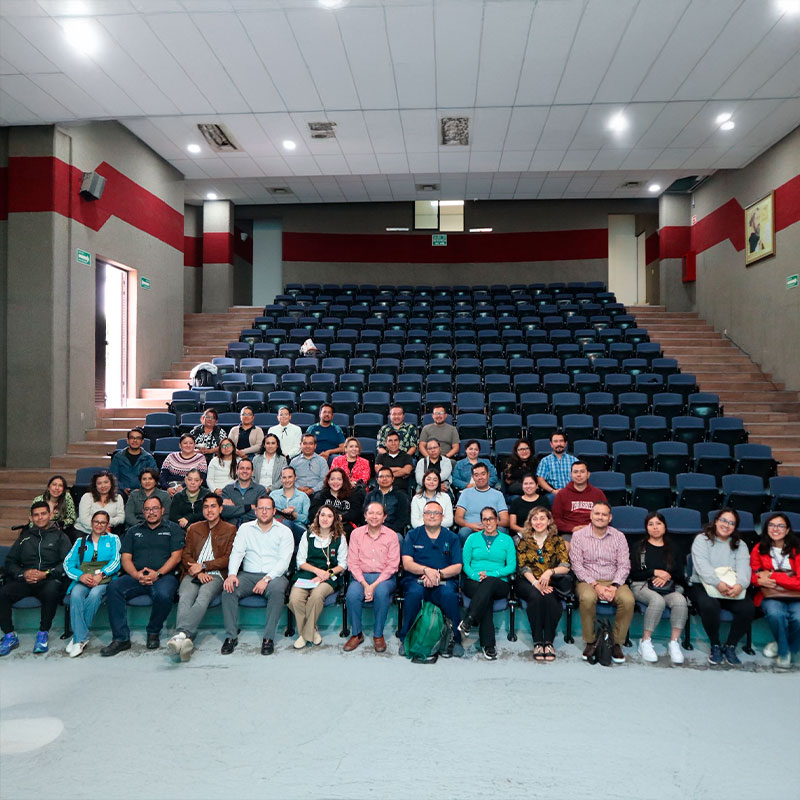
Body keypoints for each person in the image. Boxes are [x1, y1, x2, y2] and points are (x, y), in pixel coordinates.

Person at [100, 496, 185, 655]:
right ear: (143, 512)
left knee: (164, 594)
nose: (151, 512)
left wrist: (158, 573)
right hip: (136, 575)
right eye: (147, 509)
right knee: (113, 587)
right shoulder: (133, 531)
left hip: (163, 576)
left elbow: (176, 557)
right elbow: (126, 558)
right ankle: (121, 638)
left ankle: (153, 632)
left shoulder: (173, 529)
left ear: (162, 511)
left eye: (155, 509)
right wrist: (136, 574)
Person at [166, 494, 236, 662]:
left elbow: (228, 558)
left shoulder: (230, 529)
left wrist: (205, 566)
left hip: (216, 574)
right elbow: (186, 554)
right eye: (206, 507)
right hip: (192, 572)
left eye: (213, 506)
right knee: (185, 596)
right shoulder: (194, 528)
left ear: (220, 509)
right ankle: (184, 639)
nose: (209, 510)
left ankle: (181, 634)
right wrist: (198, 572)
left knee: (203, 596)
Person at [221, 496, 294, 656]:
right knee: (228, 589)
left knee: (277, 592)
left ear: (274, 511)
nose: (264, 511)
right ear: (255, 511)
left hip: (274, 576)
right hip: (248, 574)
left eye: (268, 508)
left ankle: (268, 638)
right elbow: (237, 552)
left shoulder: (284, 531)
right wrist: (232, 574)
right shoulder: (245, 528)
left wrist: (266, 579)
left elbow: (284, 561)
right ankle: (231, 636)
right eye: (261, 508)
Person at [0, 502, 71, 656]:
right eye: (36, 515)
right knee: (3, 593)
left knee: (52, 591)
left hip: (49, 579)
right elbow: (10, 562)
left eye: (43, 514)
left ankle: (43, 633)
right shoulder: (24, 537)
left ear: (50, 515)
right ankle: (9, 635)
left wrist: (46, 573)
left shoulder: (60, 537)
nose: (40, 517)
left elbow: (67, 563)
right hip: (26, 580)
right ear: (31, 518)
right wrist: (23, 574)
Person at [687, 508, 755, 666]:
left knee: (748, 608)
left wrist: (740, 585)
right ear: (716, 521)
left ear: (735, 527)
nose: (726, 525)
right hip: (703, 584)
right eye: (723, 520)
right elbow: (702, 566)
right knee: (710, 606)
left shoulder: (740, 544)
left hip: (731, 586)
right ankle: (715, 645)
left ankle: (731, 646)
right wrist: (717, 583)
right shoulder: (702, 539)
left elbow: (745, 568)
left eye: (731, 523)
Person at [397, 501, 464, 657]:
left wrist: (438, 574)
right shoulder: (413, 535)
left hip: (444, 579)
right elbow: (407, 563)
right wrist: (426, 571)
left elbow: (457, 567)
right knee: (414, 593)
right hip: (416, 579)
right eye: (428, 513)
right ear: (423, 516)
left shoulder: (452, 538)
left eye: (436, 513)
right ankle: (406, 638)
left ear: (442, 517)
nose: (432, 516)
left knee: (449, 594)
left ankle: (456, 639)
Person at [570, 502, 633, 664]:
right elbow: (577, 565)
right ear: (591, 516)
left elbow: (624, 565)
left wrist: (614, 586)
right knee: (587, 598)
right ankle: (590, 641)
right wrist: (596, 585)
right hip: (587, 580)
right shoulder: (579, 536)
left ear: (610, 518)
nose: (600, 517)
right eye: (597, 513)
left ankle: (616, 643)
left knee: (628, 600)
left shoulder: (619, 537)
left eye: (604, 514)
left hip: (614, 579)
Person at [629, 511, 688, 665]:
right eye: (651, 524)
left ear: (665, 526)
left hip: (668, 586)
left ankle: (674, 642)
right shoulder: (639, 547)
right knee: (657, 601)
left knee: (680, 601)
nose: (655, 527)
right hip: (642, 584)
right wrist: (653, 572)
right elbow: (633, 574)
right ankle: (645, 641)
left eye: (658, 524)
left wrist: (667, 575)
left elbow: (680, 574)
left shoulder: (674, 547)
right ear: (646, 528)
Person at [458, 507, 516, 660]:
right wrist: (475, 576)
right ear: (481, 522)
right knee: (486, 597)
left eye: (491, 518)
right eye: (485, 519)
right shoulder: (472, 538)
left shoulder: (507, 540)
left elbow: (511, 566)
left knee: (488, 584)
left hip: (499, 583)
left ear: (497, 520)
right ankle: (488, 645)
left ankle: (469, 619)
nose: (488, 522)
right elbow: (465, 564)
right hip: (474, 581)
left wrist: (491, 574)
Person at [62, 510, 122, 657]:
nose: (99, 525)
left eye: (103, 522)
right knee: (76, 594)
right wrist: (80, 576)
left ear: (107, 525)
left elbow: (116, 561)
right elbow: (68, 563)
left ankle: (78, 638)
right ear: (91, 523)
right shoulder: (80, 541)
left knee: (95, 594)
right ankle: (80, 637)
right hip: (84, 577)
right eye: (96, 522)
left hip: (104, 579)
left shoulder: (113, 539)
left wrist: (101, 575)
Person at [343, 502, 401, 653]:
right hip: (361, 577)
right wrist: (364, 584)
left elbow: (392, 565)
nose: (374, 516)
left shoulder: (392, 536)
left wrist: (373, 586)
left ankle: (378, 634)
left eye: (378, 513)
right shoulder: (356, 534)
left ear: (384, 517)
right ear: (365, 516)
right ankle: (357, 634)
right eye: (371, 513)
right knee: (352, 594)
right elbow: (353, 563)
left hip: (384, 578)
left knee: (381, 592)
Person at [288, 506, 348, 649]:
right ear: (318, 517)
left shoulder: (340, 538)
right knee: (294, 598)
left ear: (334, 520)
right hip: (307, 574)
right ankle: (312, 631)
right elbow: (300, 562)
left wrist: (327, 574)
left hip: (330, 576)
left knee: (316, 596)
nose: (325, 519)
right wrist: (317, 571)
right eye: (322, 515)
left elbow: (343, 564)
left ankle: (304, 636)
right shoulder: (308, 535)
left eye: (329, 516)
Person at [515, 508, 570, 662]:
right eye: (535, 519)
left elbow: (565, 565)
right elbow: (523, 567)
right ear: (530, 522)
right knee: (536, 597)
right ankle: (538, 642)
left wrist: (549, 572)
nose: (538, 522)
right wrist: (535, 583)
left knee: (552, 600)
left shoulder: (557, 540)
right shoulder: (524, 541)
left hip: (551, 581)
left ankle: (549, 642)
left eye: (542, 518)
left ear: (549, 521)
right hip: (527, 581)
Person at [750, 512, 800, 670]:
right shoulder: (759, 549)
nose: (775, 529)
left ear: (787, 530)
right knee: (775, 613)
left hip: (796, 596)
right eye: (771, 525)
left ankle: (781, 647)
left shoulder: (797, 549)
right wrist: (758, 580)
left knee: (799, 618)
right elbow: (752, 574)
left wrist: (772, 575)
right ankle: (784, 654)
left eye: (780, 526)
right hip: (770, 595)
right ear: (766, 528)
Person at [454, 463, 509, 543]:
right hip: (471, 528)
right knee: (463, 533)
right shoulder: (466, 493)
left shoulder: (498, 495)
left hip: (493, 527)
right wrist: (470, 525)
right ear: (473, 477)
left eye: (483, 474)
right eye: (476, 475)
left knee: (502, 531)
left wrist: (490, 525)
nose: (480, 477)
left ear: (488, 475)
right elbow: (458, 518)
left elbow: (505, 520)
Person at [551, 461, 607, 537]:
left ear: (588, 474)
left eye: (582, 472)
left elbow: (605, 516)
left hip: (594, 532)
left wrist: (591, 528)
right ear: (571, 475)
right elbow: (556, 519)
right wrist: (572, 528)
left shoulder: (598, 494)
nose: (579, 475)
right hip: (569, 533)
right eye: (575, 472)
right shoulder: (562, 494)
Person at [309, 467, 365, 532]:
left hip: (345, 527)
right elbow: (312, 514)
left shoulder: (353, 494)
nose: (335, 482)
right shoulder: (320, 495)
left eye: (339, 479)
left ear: (343, 481)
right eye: (332, 479)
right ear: (328, 481)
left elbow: (356, 513)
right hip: (324, 526)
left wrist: (342, 517)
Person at [74, 470, 125, 535]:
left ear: (111, 483)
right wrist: (101, 527)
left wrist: (106, 522)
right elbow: (84, 519)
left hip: (108, 531)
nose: (103, 486)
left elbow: (121, 518)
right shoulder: (87, 497)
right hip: (84, 531)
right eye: (99, 483)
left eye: (106, 482)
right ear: (95, 485)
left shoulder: (118, 498)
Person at [109, 427, 157, 494]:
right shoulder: (118, 457)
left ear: (142, 441)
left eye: (138, 438)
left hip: (144, 492)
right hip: (122, 492)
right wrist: (123, 488)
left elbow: (154, 477)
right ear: (127, 440)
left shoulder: (148, 458)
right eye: (132, 438)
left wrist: (141, 489)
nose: (135, 440)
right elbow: (113, 477)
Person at [221, 458, 267, 526]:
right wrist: (248, 507)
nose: (245, 471)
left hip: (253, 527)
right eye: (242, 468)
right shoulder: (227, 489)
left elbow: (261, 513)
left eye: (248, 469)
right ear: (237, 471)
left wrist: (234, 511)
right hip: (231, 528)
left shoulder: (260, 490)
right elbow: (224, 512)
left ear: (252, 472)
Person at [363, 467, 410, 534]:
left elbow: (403, 518)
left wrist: (387, 531)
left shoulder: (400, 496)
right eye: (381, 476)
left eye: (387, 476)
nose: (384, 479)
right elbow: (364, 515)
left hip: (393, 531)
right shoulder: (371, 495)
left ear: (393, 479)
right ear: (377, 479)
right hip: (372, 530)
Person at [271, 465, 310, 543]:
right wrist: (283, 513)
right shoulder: (273, 495)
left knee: (287, 524)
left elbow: (307, 519)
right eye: (284, 477)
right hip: (277, 528)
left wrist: (294, 515)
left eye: (290, 477)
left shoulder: (303, 497)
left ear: (295, 477)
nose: (287, 480)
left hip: (298, 528)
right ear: (281, 479)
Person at [536, 430, 577, 502]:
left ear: (565, 443)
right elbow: (540, 480)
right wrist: (553, 491)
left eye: (561, 441)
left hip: (571, 492)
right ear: (551, 444)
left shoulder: (574, 460)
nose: (559, 444)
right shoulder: (545, 461)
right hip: (553, 493)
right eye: (555, 441)